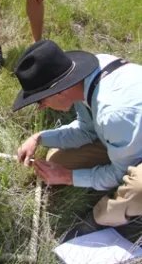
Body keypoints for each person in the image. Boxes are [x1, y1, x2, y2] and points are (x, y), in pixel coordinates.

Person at [12, 39, 142, 240]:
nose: (41, 107)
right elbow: (86, 130)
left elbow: (120, 173)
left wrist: (68, 177)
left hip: (127, 136)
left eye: (41, 99)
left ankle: (100, 220)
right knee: (56, 160)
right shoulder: (85, 80)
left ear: (60, 91)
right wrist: (38, 138)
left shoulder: (112, 113)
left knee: (136, 188)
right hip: (129, 135)